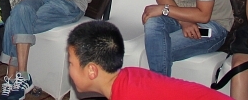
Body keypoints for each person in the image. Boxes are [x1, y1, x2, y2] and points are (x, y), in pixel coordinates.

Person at [66, 21, 230, 100]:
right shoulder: (129, 76)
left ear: (92, 70)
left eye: (71, 63)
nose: (69, 69)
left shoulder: (130, 95)